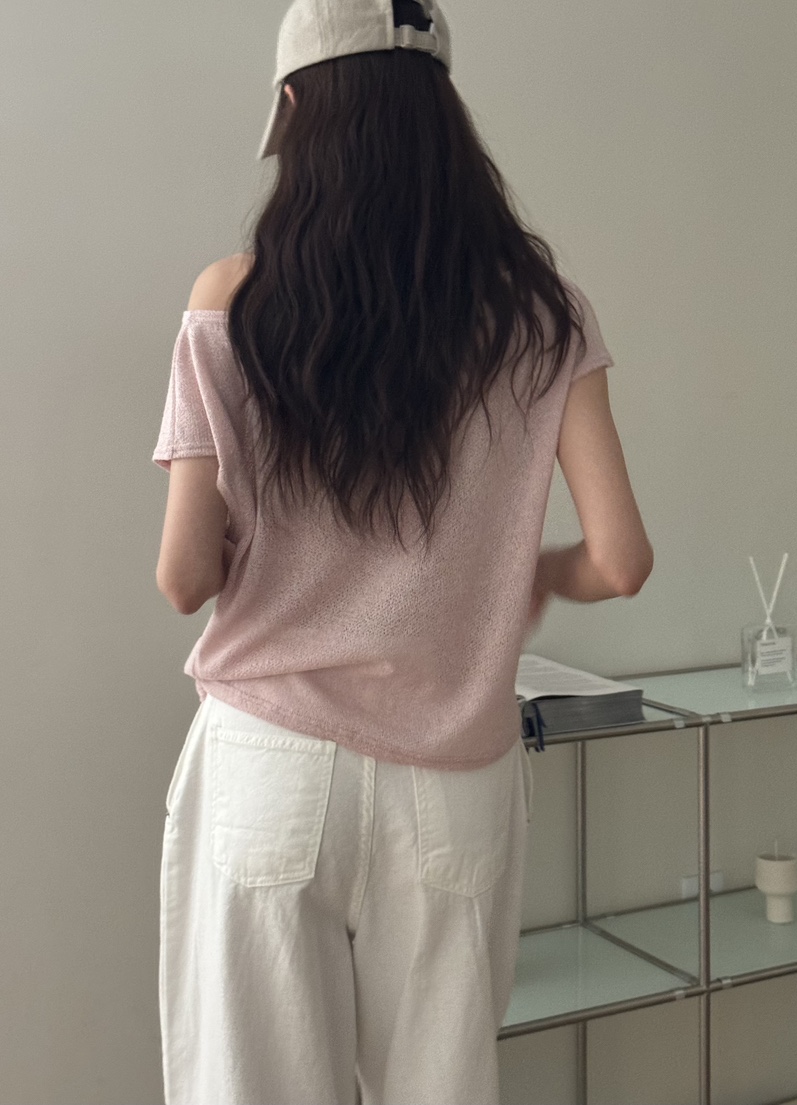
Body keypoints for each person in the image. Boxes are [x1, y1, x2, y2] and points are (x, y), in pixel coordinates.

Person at [152, 1, 653, 1103]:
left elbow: (185, 578)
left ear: (295, 110)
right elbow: (619, 560)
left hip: (270, 762)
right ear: (443, 118)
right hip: (453, 780)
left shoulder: (230, 301)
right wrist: (530, 573)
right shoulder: (545, 316)